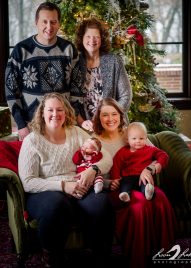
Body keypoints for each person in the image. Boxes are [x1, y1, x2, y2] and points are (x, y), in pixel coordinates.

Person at [18, 92, 115, 268]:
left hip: (80, 186)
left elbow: (106, 157)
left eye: (59, 110)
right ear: (42, 113)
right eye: (50, 110)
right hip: (45, 191)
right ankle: (52, 256)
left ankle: (99, 254)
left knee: (101, 203)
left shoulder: (76, 133)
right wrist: (63, 186)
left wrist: (93, 170)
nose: (55, 114)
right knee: (56, 205)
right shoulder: (32, 141)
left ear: (66, 112)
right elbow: (28, 181)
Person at [92, 98, 177, 268]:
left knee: (160, 199)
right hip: (116, 189)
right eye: (105, 115)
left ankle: (163, 251)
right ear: (98, 118)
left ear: (120, 115)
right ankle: (138, 257)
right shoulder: (94, 140)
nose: (110, 119)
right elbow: (88, 169)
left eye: (114, 114)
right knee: (140, 206)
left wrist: (150, 169)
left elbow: (154, 154)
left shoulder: (131, 132)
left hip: (140, 182)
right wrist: (109, 182)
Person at [5, 1, 81, 141]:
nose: (49, 27)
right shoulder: (21, 51)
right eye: (44, 21)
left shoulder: (69, 49)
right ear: (36, 22)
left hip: (64, 126)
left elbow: (77, 90)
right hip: (31, 126)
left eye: (53, 22)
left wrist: (75, 120)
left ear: (59, 23)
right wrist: (21, 126)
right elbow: (11, 92)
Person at [73, 17, 132, 132]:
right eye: (88, 36)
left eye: (96, 37)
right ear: (82, 38)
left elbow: (126, 96)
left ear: (102, 39)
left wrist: (110, 118)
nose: (92, 40)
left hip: (113, 126)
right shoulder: (74, 62)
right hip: (85, 127)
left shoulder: (114, 61)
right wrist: (81, 121)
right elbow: (71, 99)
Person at [110, 121, 169, 202]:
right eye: (134, 138)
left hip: (143, 176)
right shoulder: (123, 152)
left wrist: (159, 163)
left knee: (146, 184)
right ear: (128, 139)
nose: (138, 141)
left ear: (145, 138)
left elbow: (163, 155)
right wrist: (115, 178)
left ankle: (148, 193)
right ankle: (125, 194)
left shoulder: (150, 150)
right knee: (125, 185)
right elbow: (116, 165)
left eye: (141, 138)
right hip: (128, 177)